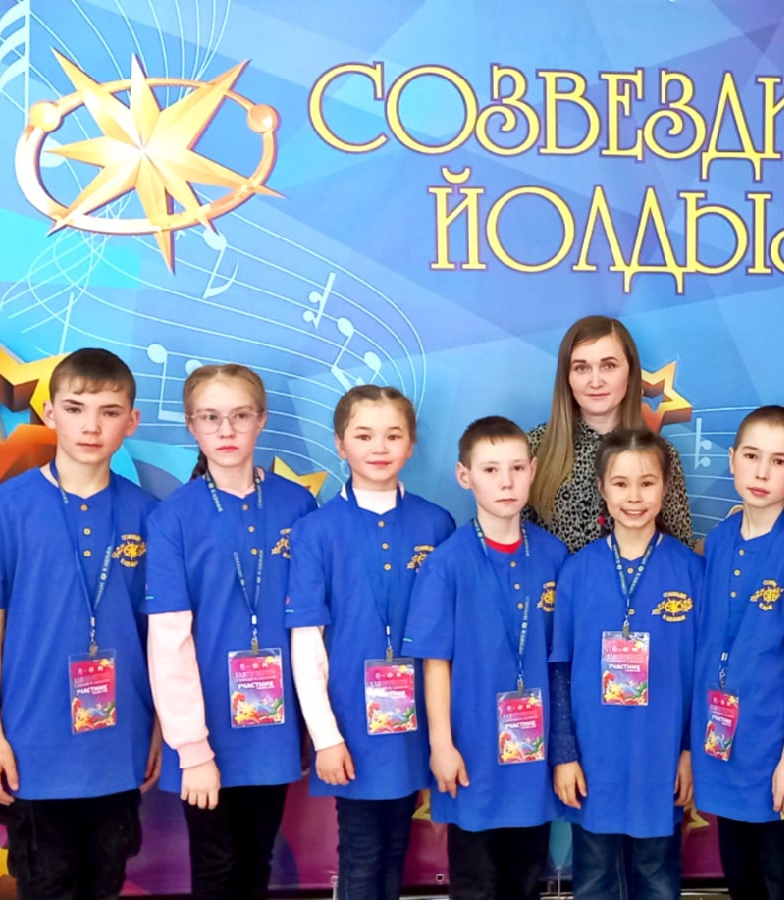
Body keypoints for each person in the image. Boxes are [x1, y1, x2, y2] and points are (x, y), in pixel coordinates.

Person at [0, 348, 160, 899]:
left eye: (109, 411)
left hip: (119, 743)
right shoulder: (0, 511)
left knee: (105, 884)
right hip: (32, 746)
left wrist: (160, 728)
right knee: (45, 885)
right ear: (49, 413)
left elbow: (160, 637)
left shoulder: (151, 516)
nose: (91, 426)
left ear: (131, 421)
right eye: (75, 408)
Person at [145, 364, 317, 900]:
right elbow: (169, 642)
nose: (226, 430)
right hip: (207, 729)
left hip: (274, 726)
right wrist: (192, 747)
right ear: (192, 426)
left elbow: (312, 627)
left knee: (256, 860)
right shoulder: (172, 518)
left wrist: (311, 722)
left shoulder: (298, 506)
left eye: (240, 416)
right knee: (215, 866)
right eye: (210, 418)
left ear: (261, 421)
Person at [287, 385, 454, 900]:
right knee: (361, 852)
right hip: (350, 726)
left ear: (411, 444)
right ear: (340, 444)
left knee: (397, 845)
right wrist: (326, 736)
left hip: (417, 723)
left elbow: (449, 639)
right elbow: (307, 643)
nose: (379, 447)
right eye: (363, 435)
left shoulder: (436, 523)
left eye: (393, 435)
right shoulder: (315, 531)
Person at [404, 416, 569, 900]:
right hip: (471, 754)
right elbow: (435, 663)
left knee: (525, 879)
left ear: (532, 470)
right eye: (491, 469)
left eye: (517, 468)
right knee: (476, 883)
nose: (506, 481)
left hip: (533, 757)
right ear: (464, 476)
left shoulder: (554, 556)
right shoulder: (446, 564)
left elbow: (562, 661)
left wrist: (565, 749)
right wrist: (441, 744)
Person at [550, 429, 701, 900]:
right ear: (601, 487)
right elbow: (560, 668)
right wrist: (565, 753)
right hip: (594, 760)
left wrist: (688, 751)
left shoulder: (691, 570)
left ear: (666, 487)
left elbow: (701, 674)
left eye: (647, 483)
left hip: (661, 758)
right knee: (595, 878)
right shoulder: (576, 570)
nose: (634, 497)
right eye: (620, 483)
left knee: (657, 877)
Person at [690, 406, 784, 900]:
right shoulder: (718, 541)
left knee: (781, 882)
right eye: (751, 456)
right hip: (723, 746)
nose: (762, 472)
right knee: (740, 878)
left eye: (779, 461)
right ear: (731, 459)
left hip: (774, 750)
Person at [526, 315, 691, 552]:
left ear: (630, 372)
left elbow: (679, 551)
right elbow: (516, 545)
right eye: (581, 368)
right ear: (567, 377)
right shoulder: (533, 448)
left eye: (609, 366)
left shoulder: (662, 455)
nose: (595, 381)